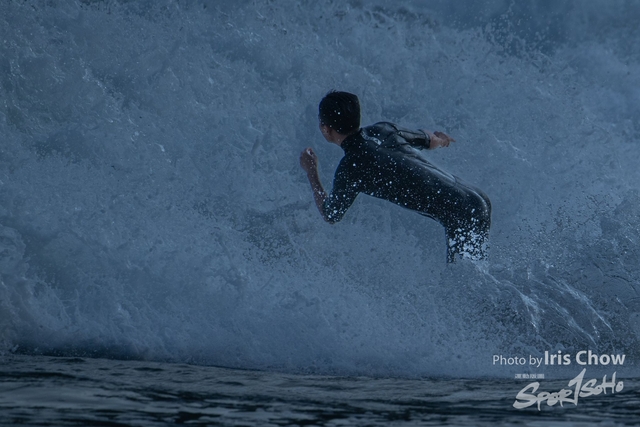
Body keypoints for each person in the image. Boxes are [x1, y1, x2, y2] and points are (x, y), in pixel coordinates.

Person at [299, 90, 491, 263]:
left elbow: (331, 214)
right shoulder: (384, 129)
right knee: (477, 279)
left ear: (326, 129)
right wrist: (442, 140)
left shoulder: (351, 167)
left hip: (462, 214)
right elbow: (429, 140)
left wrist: (312, 172)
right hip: (476, 197)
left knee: (465, 284)